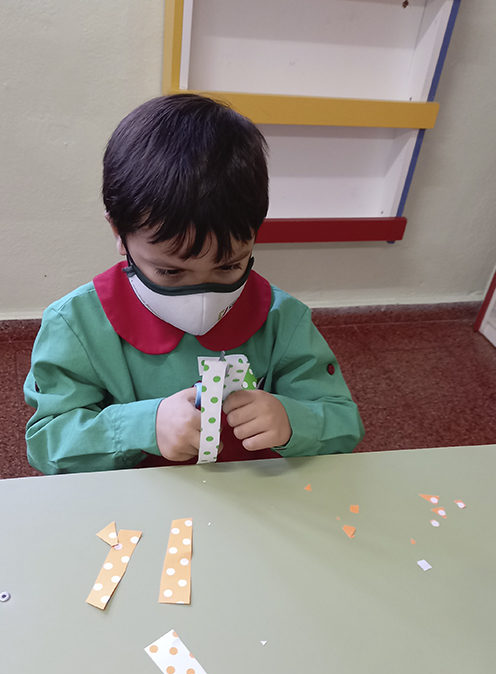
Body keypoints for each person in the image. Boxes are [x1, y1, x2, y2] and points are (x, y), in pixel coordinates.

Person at [24, 93, 364, 474]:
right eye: (170, 272)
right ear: (119, 233)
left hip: (251, 496)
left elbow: (343, 425)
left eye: (228, 267)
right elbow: (48, 441)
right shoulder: (77, 325)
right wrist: (144, 426)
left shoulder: (281, 320)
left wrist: (291, 420)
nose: (202, 299)